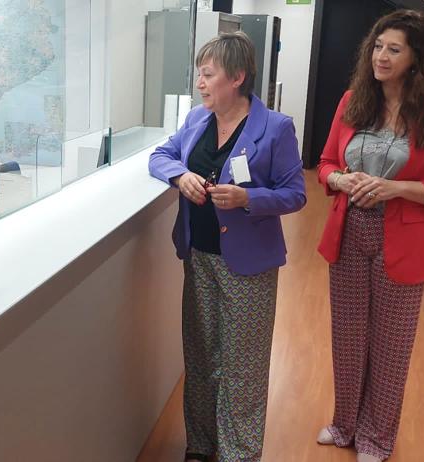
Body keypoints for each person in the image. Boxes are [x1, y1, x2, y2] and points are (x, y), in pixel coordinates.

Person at [315, 10, 424, 462]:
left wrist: (396, 188)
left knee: (391, 345)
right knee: (347, 337)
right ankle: (345, 425)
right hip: (349, 232)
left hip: (402, 237)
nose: (381, 56)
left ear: (417, 58)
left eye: (394, 49)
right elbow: (325, 164)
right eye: (378, 47)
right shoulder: (352, 101)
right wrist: (340, 179)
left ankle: (377, 438)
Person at [149, 31, 306, 462]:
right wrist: (180, 175)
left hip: (248, 266)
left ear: (237, 78)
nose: (200, 83)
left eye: (208, 74)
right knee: (201, 358)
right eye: (199, 74)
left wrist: (248, 198)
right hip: (198, 256)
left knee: (243, 369)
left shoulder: (275, 128)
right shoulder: (196, 121)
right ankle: (200, 446)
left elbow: (295, 194)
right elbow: (159, 156)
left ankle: (239, 454)